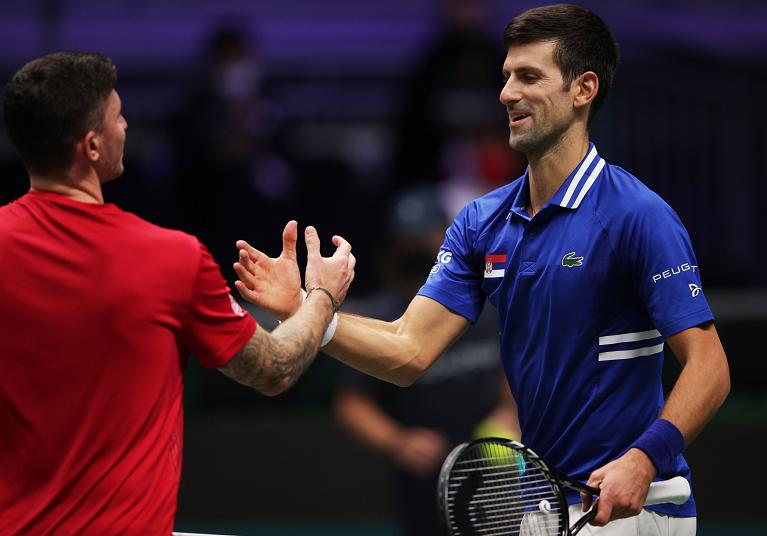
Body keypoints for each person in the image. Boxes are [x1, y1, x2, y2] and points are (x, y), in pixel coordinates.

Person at [234, 4, 730, 534]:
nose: (507, 93)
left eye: (529, 76)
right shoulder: (480, 222)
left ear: (584, 89)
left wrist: (645, 458)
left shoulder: (638, 215)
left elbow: (710, 366)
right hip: (541, 509)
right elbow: (407, 350)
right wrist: (311, 314)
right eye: (506, 76)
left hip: (636, 504)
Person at [0, 51, 354, 534]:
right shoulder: (171, 259)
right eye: (117, 117)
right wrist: (320, 297)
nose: (125, 125)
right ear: (92, 146)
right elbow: (273, 369)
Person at [333, 186, 519, 536]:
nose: (415, 246)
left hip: (492, 471)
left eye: (424, 236)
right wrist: (398, 441)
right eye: (407, 239)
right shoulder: (382, 315)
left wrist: (508, 412)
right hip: (424, 482)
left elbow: (509, 368)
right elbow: (351, 401)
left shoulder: (486, 304)